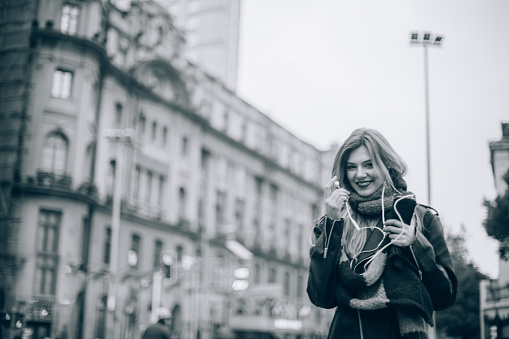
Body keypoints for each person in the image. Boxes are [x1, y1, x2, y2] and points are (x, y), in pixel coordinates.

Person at [307, 128, 457, 339]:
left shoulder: (421, 218)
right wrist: (332, 224)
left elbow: (445, 297)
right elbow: (320, 297)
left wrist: (415, 245)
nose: (360, 174)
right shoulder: (334, 220)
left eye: (369, 164)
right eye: (352, 167)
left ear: (386, 165)